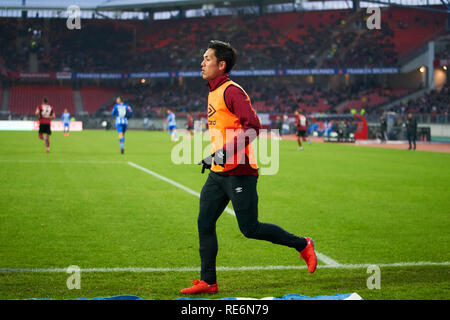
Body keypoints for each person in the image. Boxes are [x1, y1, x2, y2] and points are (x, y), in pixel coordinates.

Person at [180, 40, 317, 295]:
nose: (202, 63)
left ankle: (303, 244)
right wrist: (213, 157)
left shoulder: (232, 91)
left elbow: (254, 127)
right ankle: (208, 281)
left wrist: (222, 153)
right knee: (205, 223)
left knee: (250, 228)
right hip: (218, 173)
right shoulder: (213, 91)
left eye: (207, 59)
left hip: (240, 172)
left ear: (221, 65)